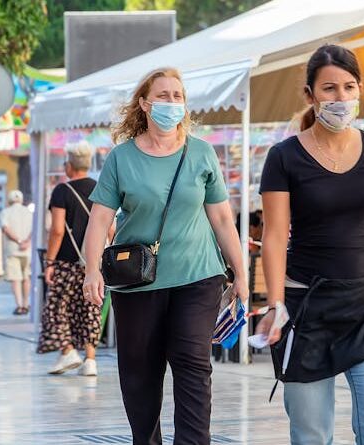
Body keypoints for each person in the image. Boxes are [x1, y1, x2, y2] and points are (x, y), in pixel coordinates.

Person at [256, 45, 364, 445]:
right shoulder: (284, 157)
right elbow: (274, 236)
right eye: (329, 88)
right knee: (311, 435)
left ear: (359, 90)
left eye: (348, 87)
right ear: (310, 95)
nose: (340, 98)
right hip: (306, 311)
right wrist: (275, 305)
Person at [82, 68, 249, 444]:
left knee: (192, 364)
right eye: (163, 95)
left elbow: (222, 217)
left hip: (198, 276)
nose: (172, 102)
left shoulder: (202, 152)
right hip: (138, 281)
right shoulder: (121, 158)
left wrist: (240, 271)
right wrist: (92, 270)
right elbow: (99, 221)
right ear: (144, 103)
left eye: (178, 95)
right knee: (140, 374)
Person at [37, 142, 100, 375]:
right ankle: (90, 360)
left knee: (58, 307)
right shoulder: (99, 188)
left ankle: (67, 351)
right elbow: (110, 228)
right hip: (92, 262)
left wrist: (50, 262)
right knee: (90, 307)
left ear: (70, 166)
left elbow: (56, 230)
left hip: (65, 261)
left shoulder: (62, 191)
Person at [1, 190, 33, 316]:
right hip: (27, 250)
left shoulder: (5, 212)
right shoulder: (29, 212)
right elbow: (33, 229)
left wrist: (19, 241)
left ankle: (19, 305)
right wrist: (27, 242)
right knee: (26, 278)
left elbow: (6, 228)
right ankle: (26, 304)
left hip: (13, 250)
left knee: (16, 279)